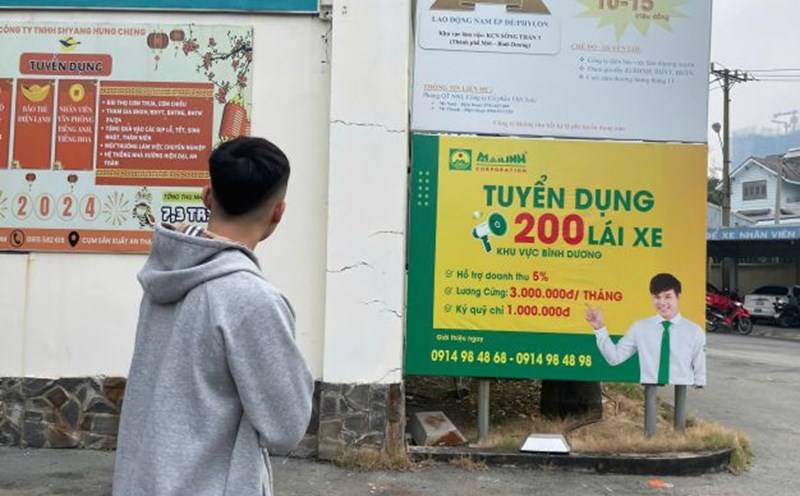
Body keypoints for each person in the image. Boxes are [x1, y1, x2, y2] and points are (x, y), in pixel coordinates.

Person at [113, 136, 314, 496]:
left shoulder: (165, 274)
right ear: (278, 212)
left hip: (141, 481)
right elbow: (286, 427)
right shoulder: (252, 300)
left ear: (207, 196)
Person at [585, 273, 706, 387]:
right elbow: (615, 358)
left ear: (678, 296)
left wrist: (699, 383)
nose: (662, 302)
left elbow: (700, 368)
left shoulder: (694, 331)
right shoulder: (640, 327)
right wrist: (599, 328)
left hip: (683, 389)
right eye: (657, 297)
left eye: (668, 296)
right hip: (649, 387)